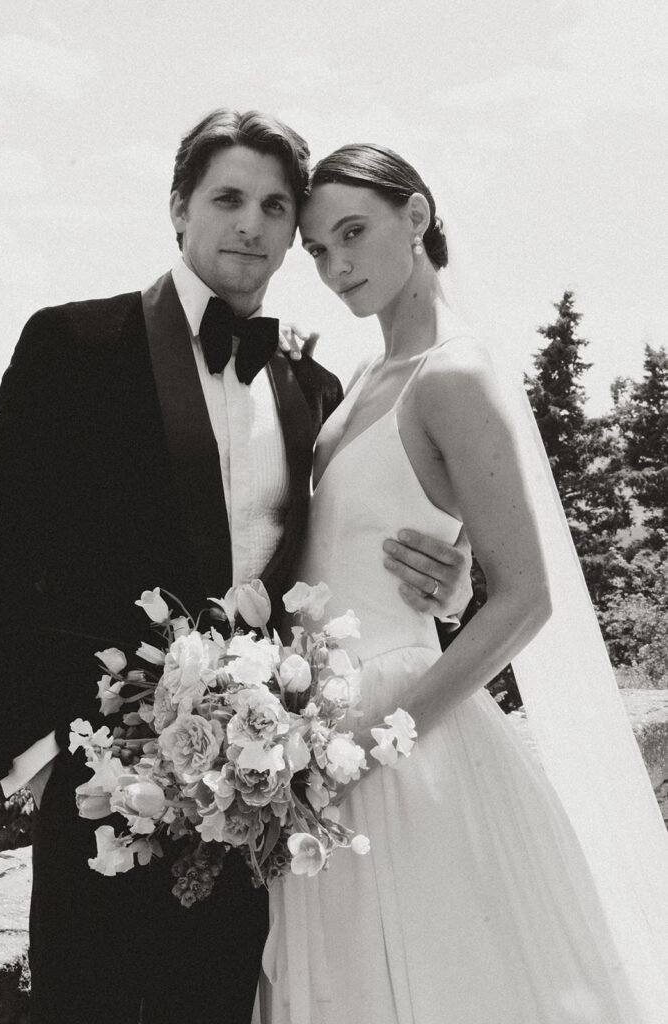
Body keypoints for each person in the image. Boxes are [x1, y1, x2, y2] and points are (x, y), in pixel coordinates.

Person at [0, 112, 473, 1024]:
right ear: (178, 209)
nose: (252, 224)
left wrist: (449, 575)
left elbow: (340, 552)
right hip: (96, 788)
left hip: (253, 800)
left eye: (276, 206)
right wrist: (34, 756)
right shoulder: (71, 347)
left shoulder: (308, 389)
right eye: (227, 198)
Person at [257, 144, 668, 1023]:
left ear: (418, 216)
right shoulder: (365, 376)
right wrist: (445, 584)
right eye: (319, 250)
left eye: (353, 233)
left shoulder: (454, 373)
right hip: (315, 739)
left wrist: (372, 741)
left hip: (401, 744)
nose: (335, 267)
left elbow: (527, 597)